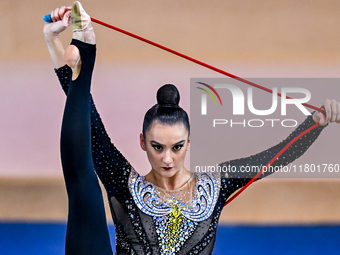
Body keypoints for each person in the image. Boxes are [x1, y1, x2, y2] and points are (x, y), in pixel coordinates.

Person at [43, 2, 340, 254]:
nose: (167, 159)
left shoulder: (214, 186)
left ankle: (81, 64)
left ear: (189, 142)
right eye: (157, 147)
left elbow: (274, 158)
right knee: (84, 184)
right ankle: (85, 61)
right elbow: (91, 129)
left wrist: (315, 124)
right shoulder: (127, 185)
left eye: (177, 147)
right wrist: (54, 48)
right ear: (143, 143)